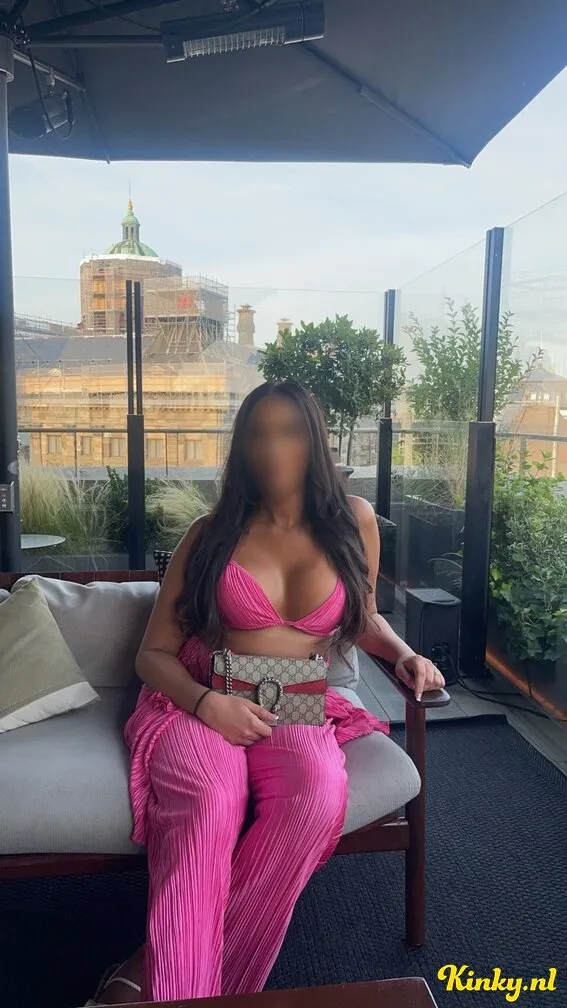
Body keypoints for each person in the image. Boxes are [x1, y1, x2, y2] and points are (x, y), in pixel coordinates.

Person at [88, 380, 444, 1005]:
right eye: (258, 434)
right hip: (202, 697)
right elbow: (152, 654)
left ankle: (160, 968)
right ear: (241, 447)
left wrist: (405, 653)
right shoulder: (211, 533)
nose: (273, 449)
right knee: (211, 800)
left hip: (297, 702)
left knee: (317, 797)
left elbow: (361, 616)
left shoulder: (354, 520)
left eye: (290, 432)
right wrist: (208, 705)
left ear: (316, 440)